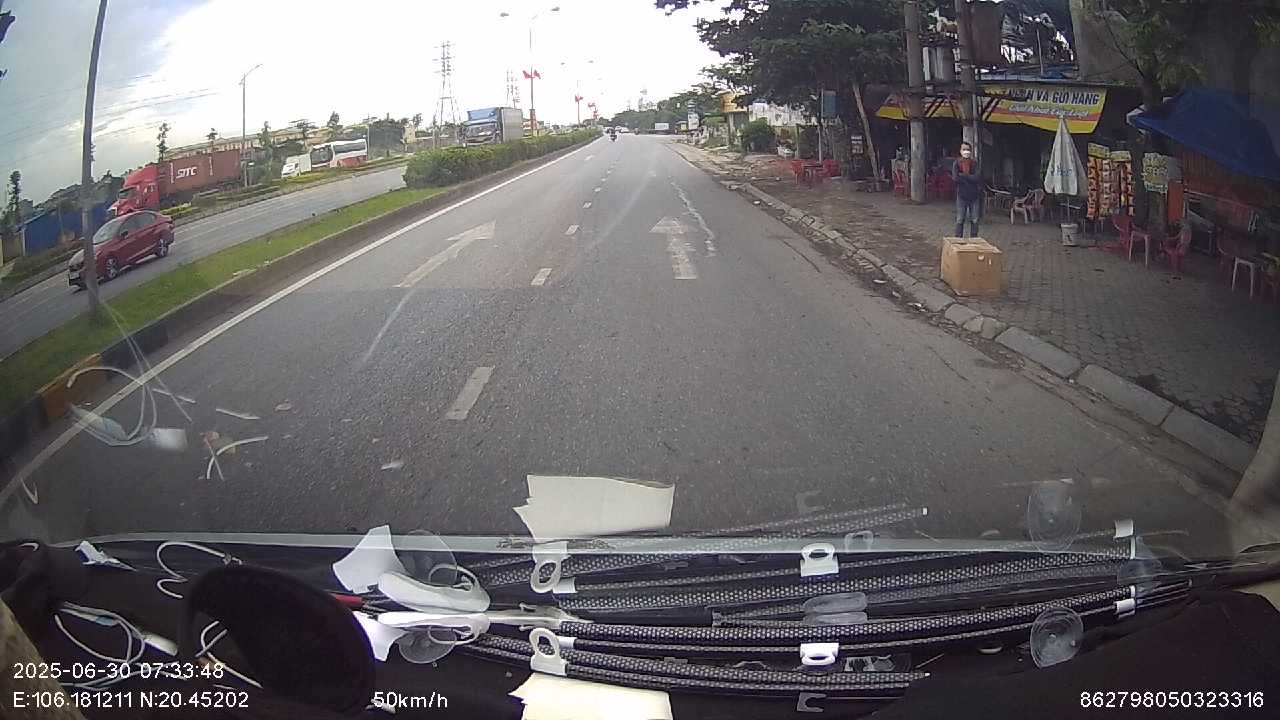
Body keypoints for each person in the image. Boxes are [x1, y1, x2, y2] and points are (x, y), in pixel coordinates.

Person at [952, 141, 982, 238]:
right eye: (964, 149)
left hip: (974, 196)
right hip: (961, 195)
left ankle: (974, 241)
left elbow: (977, 178)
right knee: (960, 219)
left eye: (968, 149)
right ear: (960, 151)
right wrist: (969, 177)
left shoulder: (975, 163)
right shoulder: (957, 163)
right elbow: (955, 178)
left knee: (975, 220)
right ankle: (958, 241)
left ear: (971, 151)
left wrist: (964, 176)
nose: (966, 151)